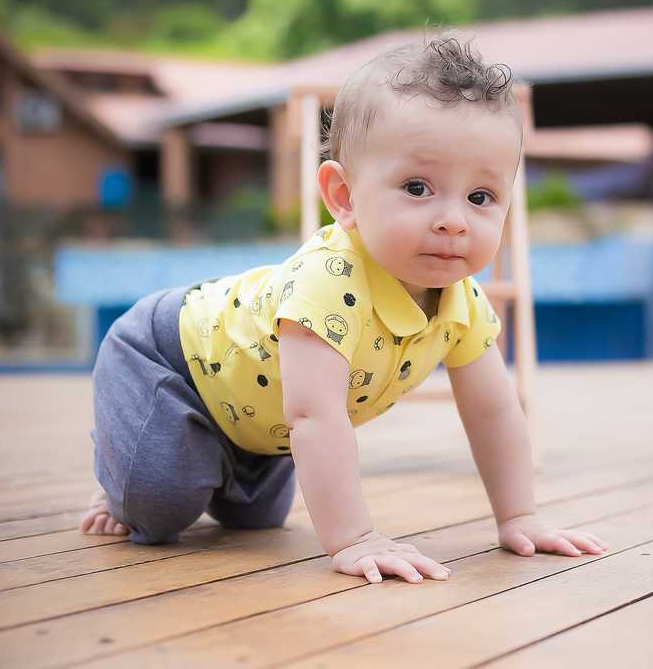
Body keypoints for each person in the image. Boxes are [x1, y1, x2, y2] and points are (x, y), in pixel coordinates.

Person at [81, 31, 606, 583]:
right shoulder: (328, 283)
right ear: (343, 197)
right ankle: (121, 465)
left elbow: (493, 412)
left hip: (250, 413)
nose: (454, 221)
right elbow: (315, 417)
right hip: (167, 359)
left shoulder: (463, 303)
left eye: (481, 197)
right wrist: (354, 539)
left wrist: (520, 516)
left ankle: (185, 458)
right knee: (159, 510)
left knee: (256, 518)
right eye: (418, 187)